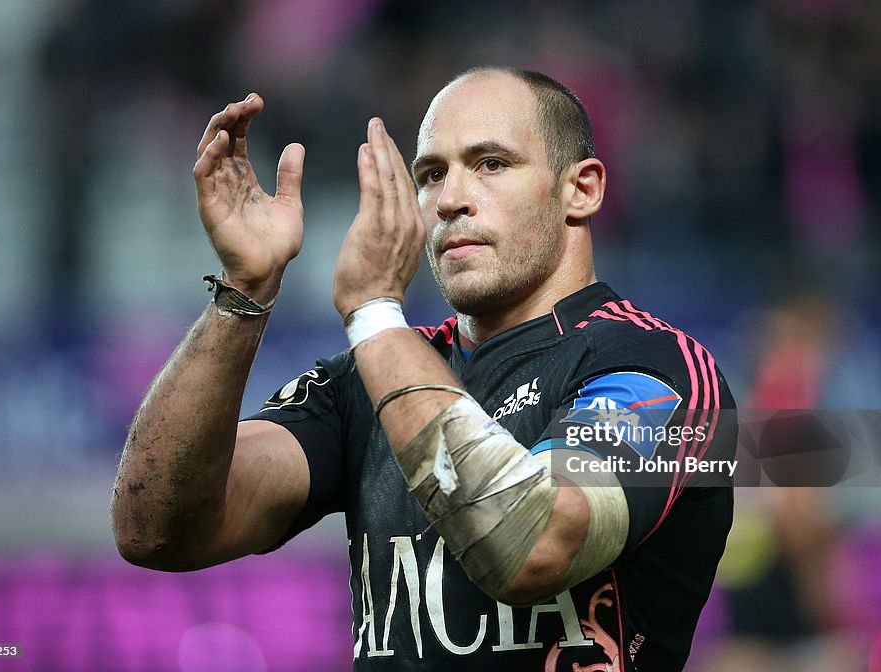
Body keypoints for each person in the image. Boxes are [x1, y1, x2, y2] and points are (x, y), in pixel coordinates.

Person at [111, 66, 738, 671]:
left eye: (491, 164)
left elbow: (533, 541)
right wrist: (243, 291)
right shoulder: (363, 384)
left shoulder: (663, 372)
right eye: (432, 175)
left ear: (583, 189)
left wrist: (375, 314)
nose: (451, 201)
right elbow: (156, 531)